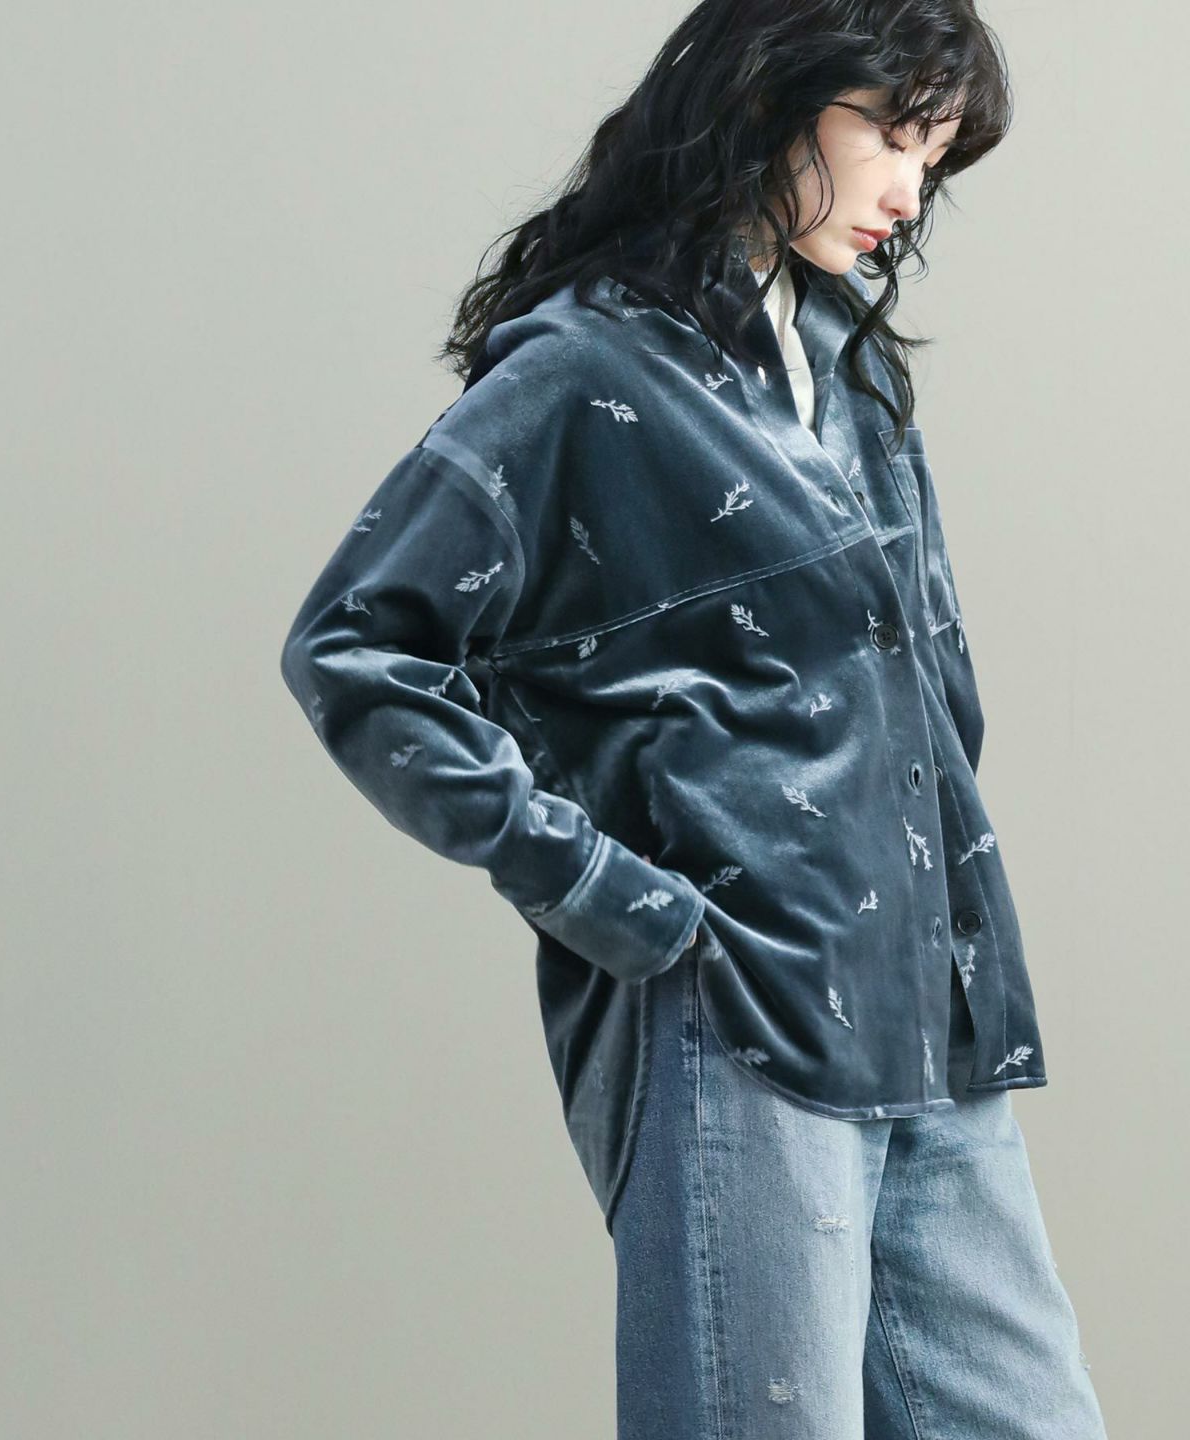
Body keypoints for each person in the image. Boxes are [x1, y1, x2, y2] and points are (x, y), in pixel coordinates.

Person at [279, 2, 1111, 1434]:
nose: (912, 188)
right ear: (771, 95)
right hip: (740, 1014)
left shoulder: (851, 369)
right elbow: (355, 646)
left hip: (932, 1007)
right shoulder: (589, 370)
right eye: (891, 134)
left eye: (936, 155)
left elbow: (934, 686)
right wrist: (616, 898)